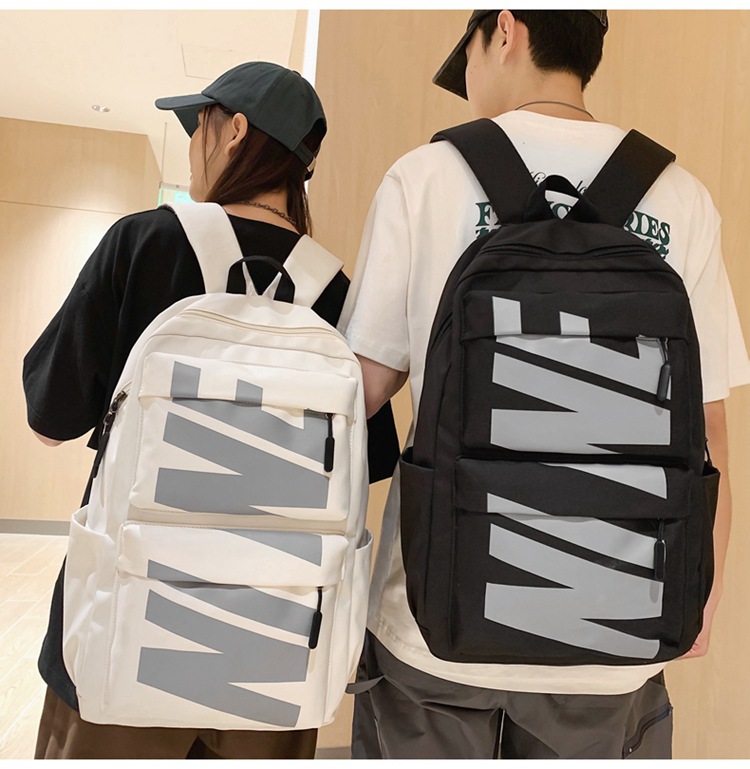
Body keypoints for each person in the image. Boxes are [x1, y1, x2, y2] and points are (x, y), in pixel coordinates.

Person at [340, 10, 750, 760]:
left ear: (505, 30)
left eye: (466, 57)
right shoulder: (680, 196)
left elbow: (358, 394)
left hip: (438, 615)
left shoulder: (427, 177)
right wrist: (702, 594)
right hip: (616, 627)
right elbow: (709, 427)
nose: (469, 81)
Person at [24, 61, 350, 760]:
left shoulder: (142, 242)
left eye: (198, 126)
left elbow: (50, 418)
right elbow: (365, 463)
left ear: (234, 132)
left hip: (127, 636)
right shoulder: (335, 291)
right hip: (272, 653)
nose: (193, 148)